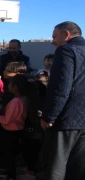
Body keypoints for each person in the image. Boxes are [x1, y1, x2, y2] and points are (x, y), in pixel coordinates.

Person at [41, 21, 85, 180]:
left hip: (67, 118)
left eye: (55, 37)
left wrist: (49, 117)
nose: (53, 41)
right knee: (79, 166)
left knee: (57, 165)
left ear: (66, 35)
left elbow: (61, 88)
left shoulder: (66, 51)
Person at [0, 74, 32, 180]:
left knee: (8, 155)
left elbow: (6, 120)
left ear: (15, 87)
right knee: (11, 154)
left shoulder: (15, 102)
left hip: (10, 132)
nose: (8, 85)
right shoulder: (24, 99)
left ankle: (8, 174)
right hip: (18, 130)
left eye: (10, 84)